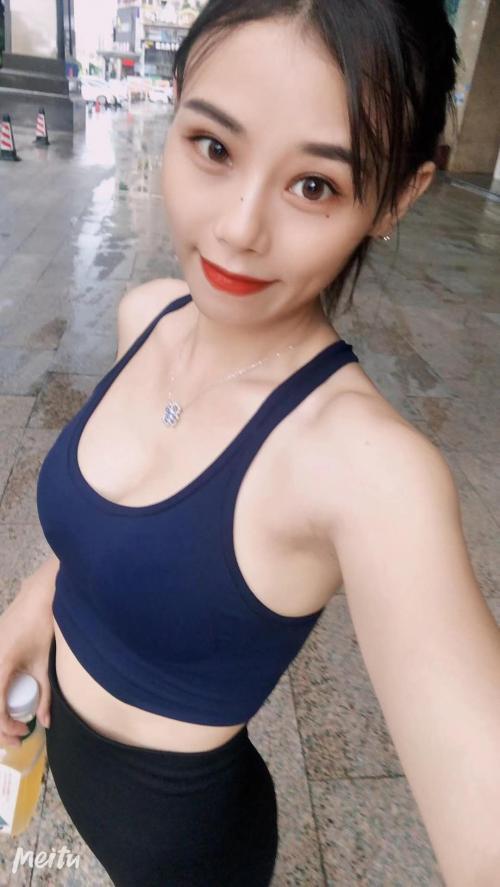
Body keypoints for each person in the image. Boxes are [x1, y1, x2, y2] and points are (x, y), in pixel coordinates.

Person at [1, 1, 499, 885]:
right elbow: (112, 538)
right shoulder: (147, 316)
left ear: (398, 196)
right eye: (214, 146)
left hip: (190, 851)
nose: (238, 228)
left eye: (316, 186)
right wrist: (32, 609)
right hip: (67, 757)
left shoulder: (368, 468)